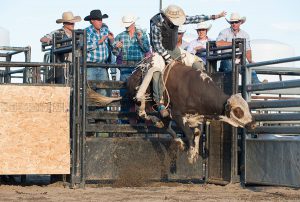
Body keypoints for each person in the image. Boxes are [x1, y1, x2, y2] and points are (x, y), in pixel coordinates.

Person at [148, 5, 226, 117]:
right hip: (159, 52)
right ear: (166, 17)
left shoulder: (174, 19)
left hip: (173, 49)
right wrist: (168, 58)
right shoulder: (156, 24)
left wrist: (213, 17)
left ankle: (198, 94)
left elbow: (194, 19)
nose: (176, 23)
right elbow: (157, 45)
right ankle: (159, 102)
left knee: (197, 62)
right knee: (156, 71)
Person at [216, 12, 264, 84]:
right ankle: (234, 89)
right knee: (231, 71)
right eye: (232, 22)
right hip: (227, 58)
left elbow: (247, 49)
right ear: (230, 23)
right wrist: (235, 43)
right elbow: (218, 43)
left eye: (236, 22)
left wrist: (250, 60)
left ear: (240, 22)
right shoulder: (224, 32)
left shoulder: (245, 34)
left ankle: (257, 84)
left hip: (239, 59)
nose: (234, 24)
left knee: (249, 68)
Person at [40, 11, 81, 83]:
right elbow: (42, 39)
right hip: (61, 66)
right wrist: (50, 40)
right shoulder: (58, 32)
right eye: (70, 22)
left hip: (74, 65)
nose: (72, 24)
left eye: (73, 22)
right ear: (64, 23)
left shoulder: (77, 33)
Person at [84, 9, 114, 96]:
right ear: (92, 21)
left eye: (101, 20)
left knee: (103, 92)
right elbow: (84, 47)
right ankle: (91, 110)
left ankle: (101, 110)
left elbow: (113, 47)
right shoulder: (86, 32)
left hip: (103, 66)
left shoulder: (105, 31)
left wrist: (112, 41)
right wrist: (99, 42)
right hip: (90, 66)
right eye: (98, 20)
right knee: (90, 91)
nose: (100, 22)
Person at [113, 14, 150, 83]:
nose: (126, 26)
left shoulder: (142, 34)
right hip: (125, 66)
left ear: (133, 23)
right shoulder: (120, 36)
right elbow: (115, 53)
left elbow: (147, 49)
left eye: (128, 24)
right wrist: (116, 48)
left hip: (139, 66)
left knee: (138, 89)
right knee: (124, 89)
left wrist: (140, 40)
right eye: (126, 24)